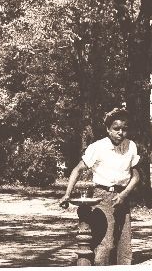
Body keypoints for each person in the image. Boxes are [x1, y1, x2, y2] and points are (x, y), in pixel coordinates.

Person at [59, 107, 140, 265]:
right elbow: (77, 169)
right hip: (102, 196)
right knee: (105, 242)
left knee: (124, 244)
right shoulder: (98, 147)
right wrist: (67, 194)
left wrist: (124, 195)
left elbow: (136, 176)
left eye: (125, 129)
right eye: (116, 129)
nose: (120, 133)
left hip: (123, 196)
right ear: (108, 129)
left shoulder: (131, 146)